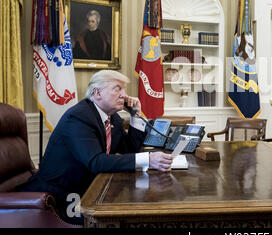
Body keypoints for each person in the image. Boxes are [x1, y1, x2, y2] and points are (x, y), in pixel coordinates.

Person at [18, 70, 173, 224]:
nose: (124, 95)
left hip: (88, 187)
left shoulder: (113, 118)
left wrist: (135, 116)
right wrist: (148, 159)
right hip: (57, 195)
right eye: (117, 89)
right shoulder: (79, 117)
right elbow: (95, 161)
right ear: (97, 93)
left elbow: (130, 149)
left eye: (124, 90)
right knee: (122, 218)